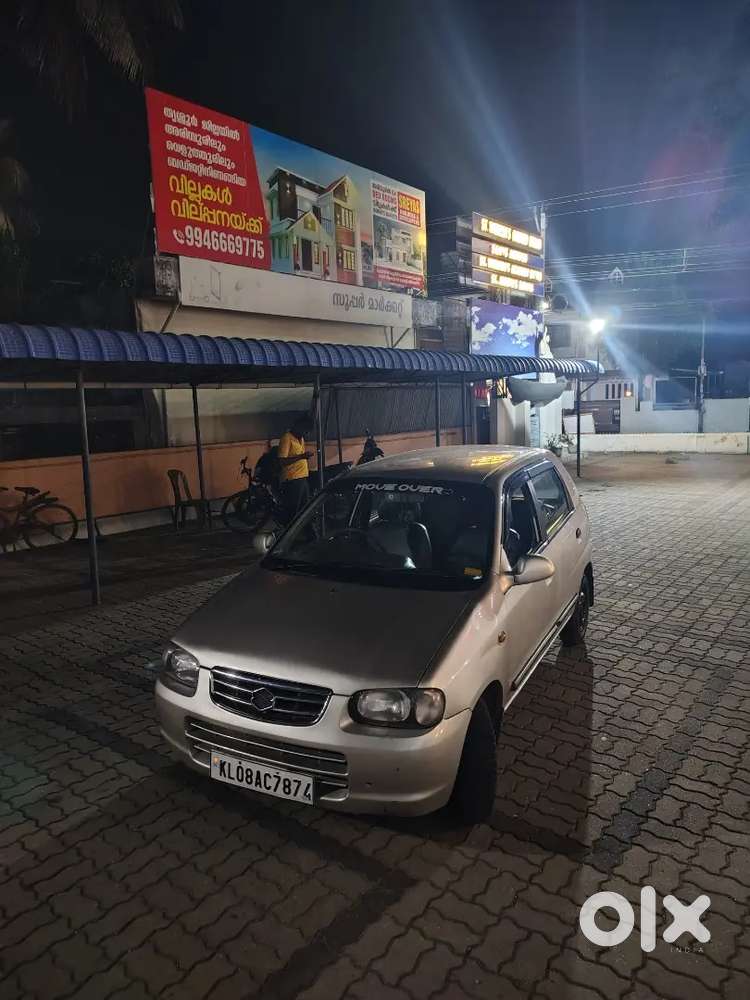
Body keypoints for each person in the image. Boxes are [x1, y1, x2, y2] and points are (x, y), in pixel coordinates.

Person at [277, 416, 313, 522]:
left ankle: (308, 534)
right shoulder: (286, 438)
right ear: (298, 426)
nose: (305, 434)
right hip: (292, 479)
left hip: (302, 478)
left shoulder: (300, 439)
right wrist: (302, 457)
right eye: (305, 430)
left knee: (305, 510)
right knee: (293, 511)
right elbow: (282, 461)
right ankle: (289, 534)